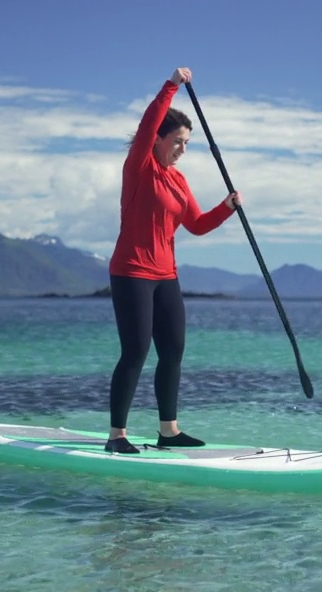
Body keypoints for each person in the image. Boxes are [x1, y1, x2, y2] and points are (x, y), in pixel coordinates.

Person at [104, 67, 242, 454]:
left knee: (174, 351)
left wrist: (227, 208)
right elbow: (149, 121)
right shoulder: (140, 167)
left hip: (166, 275)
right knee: (135, 352)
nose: (182, 148)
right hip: (131, 272)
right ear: (159, 139)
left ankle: (169, 430)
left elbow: (196, 225)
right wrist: (172, 86)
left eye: (187, 143)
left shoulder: (178, 181)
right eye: (178, 141)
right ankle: (117, 437)